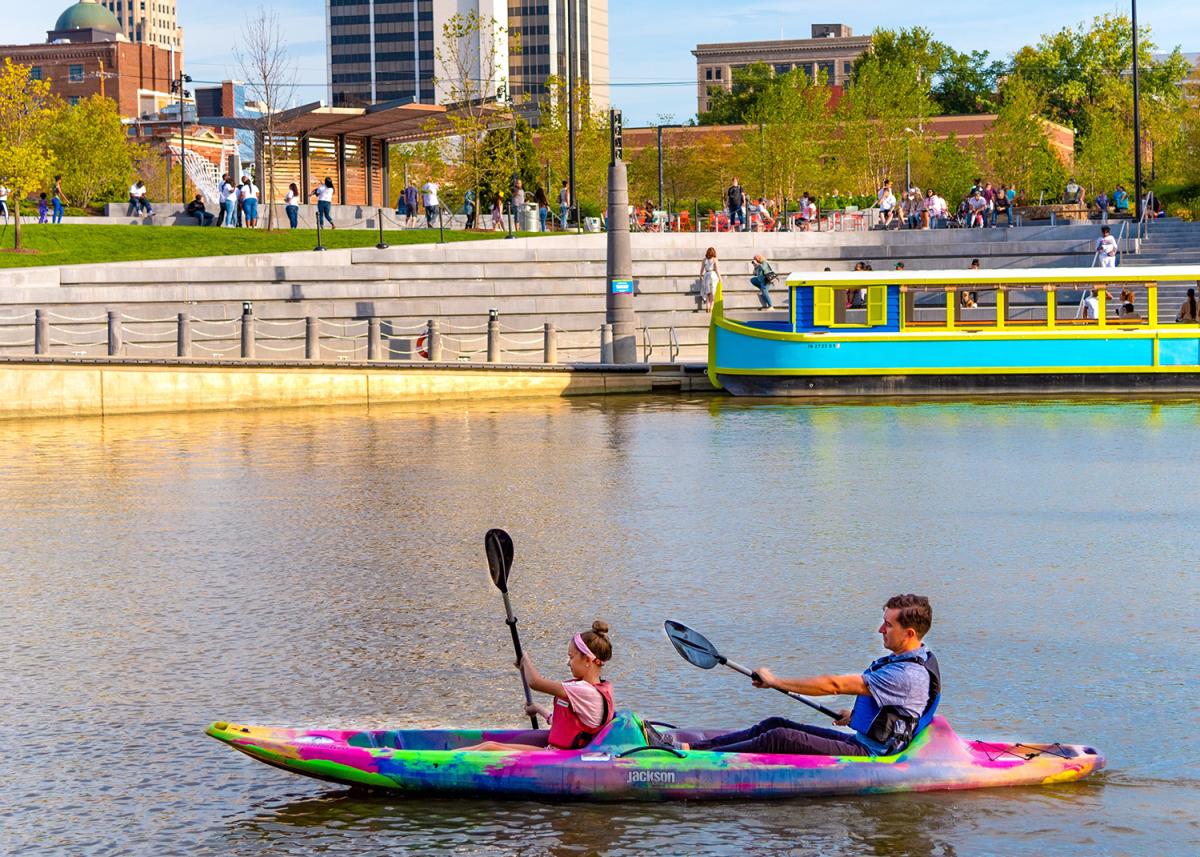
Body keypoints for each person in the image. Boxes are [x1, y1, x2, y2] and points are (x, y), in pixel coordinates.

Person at [680, 595, 940, 757]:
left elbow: (834, 685)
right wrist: (856, 716)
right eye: (883, 621)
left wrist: (775, 682)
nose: (880, 629)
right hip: (866, 739)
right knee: (773, 723)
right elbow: (902, 707)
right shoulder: (914, 657)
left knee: (780, 738)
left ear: (909, 634)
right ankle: (697, 748)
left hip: (870, 752)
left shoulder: (907, 673)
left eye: (889, 625)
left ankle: (692, 758)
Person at [461, 621, 616, 752]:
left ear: (588, 660)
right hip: (554, 752)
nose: (568, 662)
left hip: (559, 759)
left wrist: (524, 658)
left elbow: (535, 682)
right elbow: (564, 723)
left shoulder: (585, 691)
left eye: (571, 657)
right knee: (489, 745)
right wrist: (538, 709)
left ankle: (437, 762)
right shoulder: (590, 689)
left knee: (489, 747)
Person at [700, 247, 719, 313]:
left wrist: (700, 275)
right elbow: (717, 269)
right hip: (713, 275)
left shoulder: (704, 260)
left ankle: (707, 307)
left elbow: (702, 269)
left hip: (706, 275)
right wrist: (720, 278)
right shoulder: (715, 259)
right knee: (712, 293)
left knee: (707, 293)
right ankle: (711, 307)